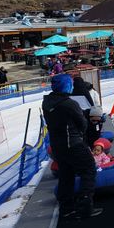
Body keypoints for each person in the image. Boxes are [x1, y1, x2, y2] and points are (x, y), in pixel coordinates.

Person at [42, 74, 101, 219]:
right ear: (66, 86)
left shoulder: (47, 102)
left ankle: (66, 208)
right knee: (88, 169)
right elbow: (82, 123)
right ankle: (85, 205)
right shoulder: (69, 103)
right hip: (73, 143)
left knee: (66, 176)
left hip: (57, 146)